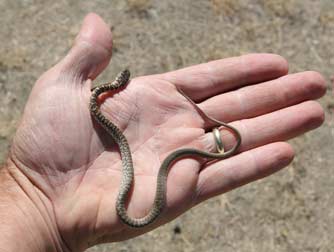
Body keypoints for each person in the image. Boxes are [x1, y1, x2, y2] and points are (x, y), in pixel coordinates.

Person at [0, 13, 326, 252]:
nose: (122, 82)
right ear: (118, 86)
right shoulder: (98, 102)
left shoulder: (101, 101)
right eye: (121, 83)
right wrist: (37, 202)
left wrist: (35, 206)